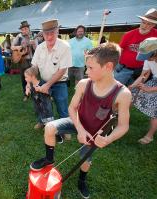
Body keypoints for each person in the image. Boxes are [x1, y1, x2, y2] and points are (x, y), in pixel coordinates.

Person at [30, 43, 132, 199]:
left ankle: (82, 180)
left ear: (108, 67)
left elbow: (123, 126)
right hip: (78, 122)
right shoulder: (84, 84)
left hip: (94, 133)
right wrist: (80, 129)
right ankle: (48, 160)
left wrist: (108, 138)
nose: (86, 71)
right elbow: (72, 109)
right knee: (50, 127)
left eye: (90, 68)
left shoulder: (123, 94)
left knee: (85, 160)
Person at [30, 19, 72, 130]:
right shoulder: (40, 48)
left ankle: (65, 128)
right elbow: (34, 67)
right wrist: (31, 80)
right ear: (42, 34)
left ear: (57, 31)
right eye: (46, 34)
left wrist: (47, 85)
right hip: (43, 81)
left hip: (60, 82)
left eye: (52, 33)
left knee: (62, 106)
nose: (49, 37)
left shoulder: (65, 47)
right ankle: (42, 121)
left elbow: (62, 70)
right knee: (42, 105)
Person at [114, 8, 157, 86]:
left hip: (142, 71)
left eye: (149, 24)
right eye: (143, 22)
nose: (144, 26)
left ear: (154, 25)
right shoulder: (129, 34)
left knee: (132, 92)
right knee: (115, 89)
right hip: (124, 69)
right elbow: (119, 50)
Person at [129, 37, 157, 144]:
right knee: (129, 96)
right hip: (155, 81)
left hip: (156, 85)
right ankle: (121, 119)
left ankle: (149, 136)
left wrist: (150, 89)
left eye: (148, 56)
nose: (146, 59)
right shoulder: (148, 58)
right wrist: (132, 86)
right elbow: (144, 75)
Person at [12, 21, 37, 101]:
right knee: (23, 78)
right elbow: (12, 47)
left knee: (33, 78)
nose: (24, 30)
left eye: (26, 28)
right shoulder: (19, 37)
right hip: (22, 60)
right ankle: (26, 94)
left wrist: (33, 44)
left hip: (32, 60)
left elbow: (37, 49)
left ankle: (34, 94)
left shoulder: (33, 36)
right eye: (23, 29)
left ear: (29, 29)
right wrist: (19, 47)